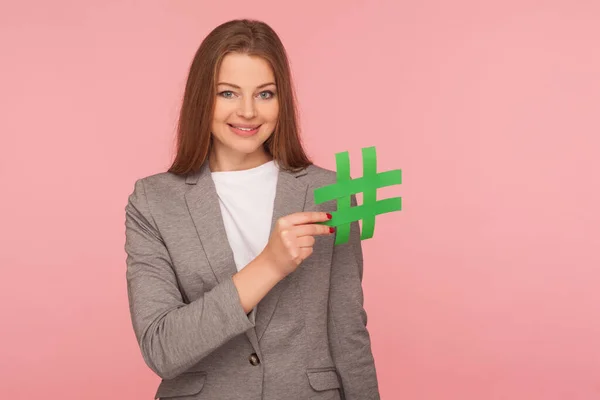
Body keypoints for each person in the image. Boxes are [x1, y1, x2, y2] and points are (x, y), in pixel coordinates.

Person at [124, 18, 380, 400]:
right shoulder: (153, 201)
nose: (247, 111)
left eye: (265, 94)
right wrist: (269, 265)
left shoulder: (332, 193)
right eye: (228, 93)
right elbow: (162, 348)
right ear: (202, 98)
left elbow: (348, 331)